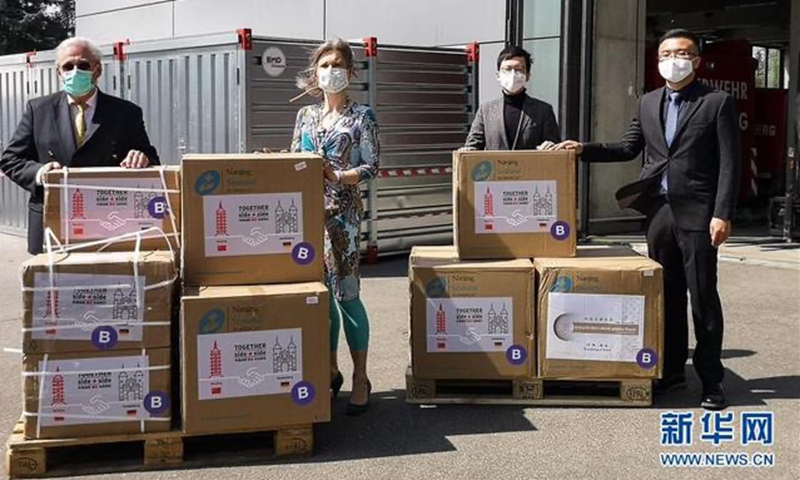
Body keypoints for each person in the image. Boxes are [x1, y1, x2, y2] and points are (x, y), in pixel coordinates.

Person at [557, 29, 740, 410]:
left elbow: (729, 164)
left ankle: (711, 381)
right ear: (657, 61)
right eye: (666, 53)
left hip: (699, 214)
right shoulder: (648, 102)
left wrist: (722, 213)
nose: (674, 59)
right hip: (659, 212)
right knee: (666, 295)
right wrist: (583, 149)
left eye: (682, 53)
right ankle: (672, 371)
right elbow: (628, 148)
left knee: (703, 297)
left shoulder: (717, 102)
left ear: (697, 60)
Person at [0, 37, 159, 255]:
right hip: (51, 220)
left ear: (97, 70)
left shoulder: (126, 112)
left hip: (109, 223)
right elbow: (10, 160)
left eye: (83, 65)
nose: (75, 71)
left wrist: (142, 156)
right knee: (52, 288)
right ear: (59, 72)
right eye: (68, 66)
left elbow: (150, 155)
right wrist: (39, 173)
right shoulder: (39, 110)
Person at [291, 39, 379, 415]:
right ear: (315, 73)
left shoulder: (363, 116)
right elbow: (295, 158)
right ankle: (330, 370)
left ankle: (361, 376)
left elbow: (372, 167)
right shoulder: (305, 117)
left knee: (346, 294)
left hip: (342, 215)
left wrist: (337, 174)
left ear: (351, 71)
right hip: (309, 215)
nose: (331, 71)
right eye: (325, 65)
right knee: (320, 297)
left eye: (338, 64)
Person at [463, 45, 560, 151]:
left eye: (518, 69)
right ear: (498, 75)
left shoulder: (543, 110)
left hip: (530, 167)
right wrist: (467, 151)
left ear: (528, 75)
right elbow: (472, 147)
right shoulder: (485, 111)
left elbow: (555, 148)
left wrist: (548, 148)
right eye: (507, 69)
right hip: (496, 167)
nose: (513, 74)